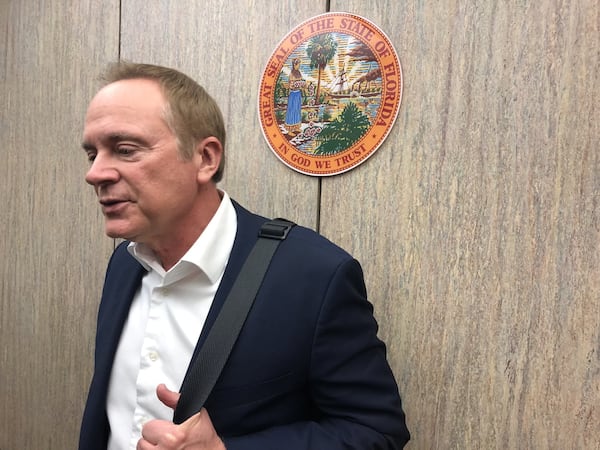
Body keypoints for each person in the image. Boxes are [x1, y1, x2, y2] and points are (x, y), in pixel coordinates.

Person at [78, 61, 410, 450]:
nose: (96, 173)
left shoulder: (314, 276)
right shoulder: (123, 264)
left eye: (125, 149)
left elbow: (376, 431)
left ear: (205, 159)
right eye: (92, 154)